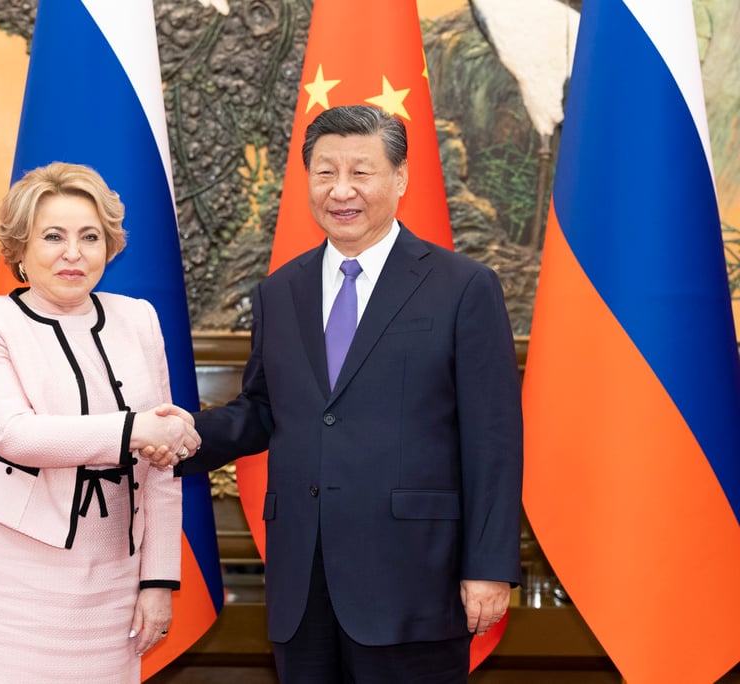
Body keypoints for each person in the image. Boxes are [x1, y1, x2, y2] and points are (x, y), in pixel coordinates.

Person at [174, 105, 523, 682]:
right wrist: (174, 435)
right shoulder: (279, 291)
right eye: (325, 172)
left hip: (414, 579)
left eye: (361, 172)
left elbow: (493, 438)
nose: (341, 190)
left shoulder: (464, 287)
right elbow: (263, 409)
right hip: (302, 582)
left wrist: (487, 567)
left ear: (400, 179)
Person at [0, 161, 200, 683]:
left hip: (116, 574)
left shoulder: (139, 319)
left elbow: (160, 470)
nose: (73, 253)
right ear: (18, 249)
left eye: (90, 237)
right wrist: (136, 430)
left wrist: (158, 582)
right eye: (53, 236)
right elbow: (14, 434)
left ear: (109, 246)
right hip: (13, 574)